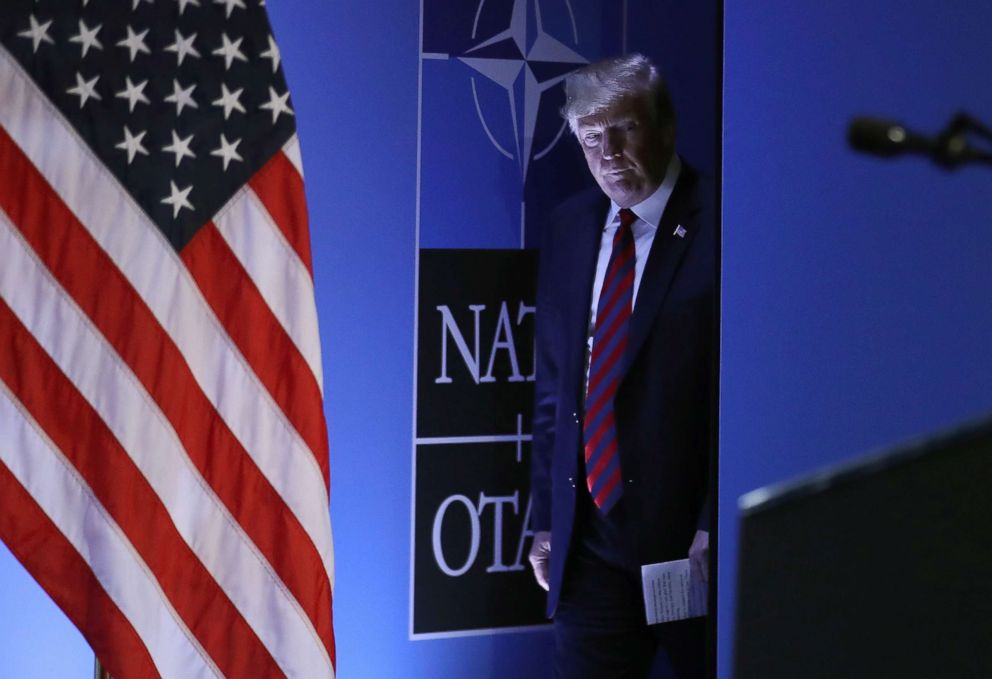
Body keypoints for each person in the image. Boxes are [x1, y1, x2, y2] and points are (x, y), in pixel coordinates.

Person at [528, 53, 714, 678]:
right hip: (590, 548)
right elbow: (555, 387)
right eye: (589, 138)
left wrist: (713, 528)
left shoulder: (725, 222)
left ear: (665, 127)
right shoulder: (571, 227)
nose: (607, 152)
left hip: (690, 548)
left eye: (623, 130)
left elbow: (739, 397)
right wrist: (546, 520)